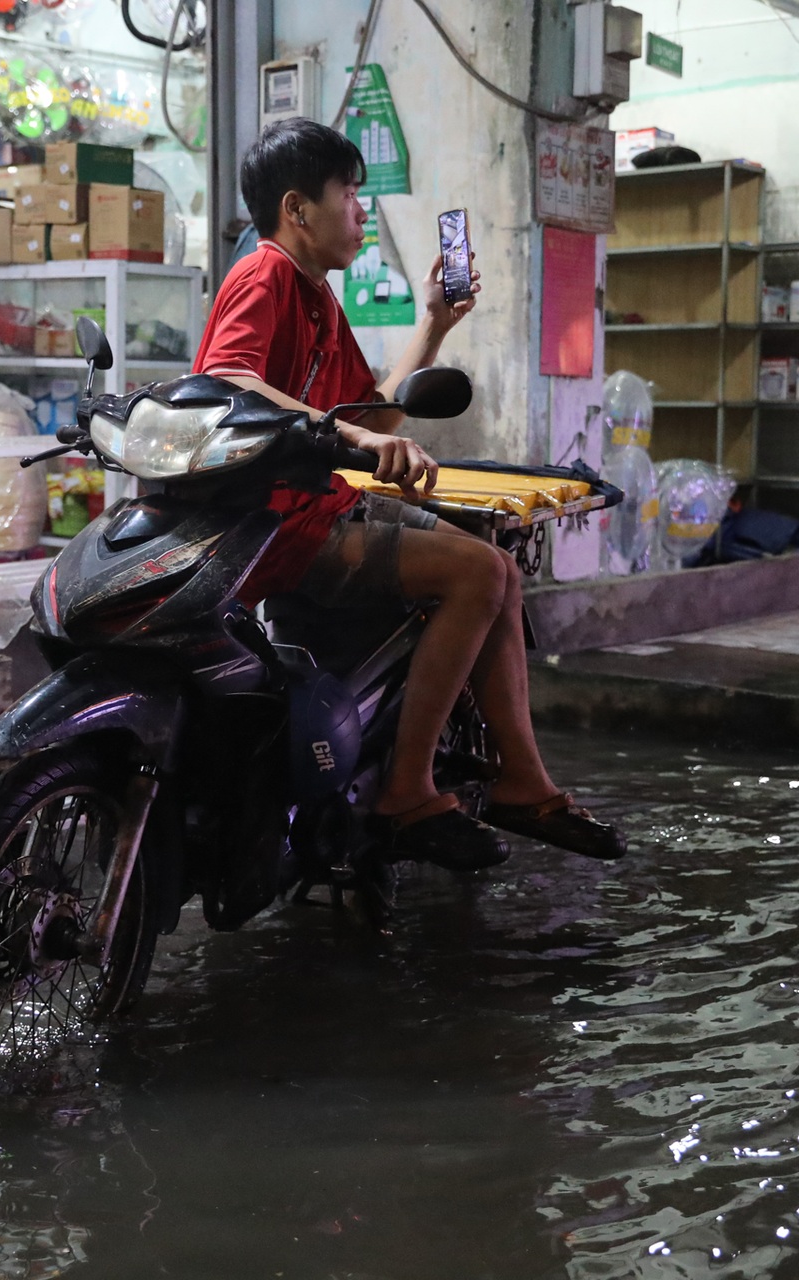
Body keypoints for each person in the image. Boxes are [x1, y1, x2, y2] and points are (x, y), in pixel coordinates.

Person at [192, 117, 626, 870]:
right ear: (298, 210)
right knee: (479, 574)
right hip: (270, 527)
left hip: (311, 506)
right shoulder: (263, 273)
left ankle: (520, 777)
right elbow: (229, 378)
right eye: (350, 194)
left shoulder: (318, 297)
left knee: (497, 566)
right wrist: (356, 442)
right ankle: (408, 790)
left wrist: (434, 322)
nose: (361, 211)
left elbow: (376, 410)